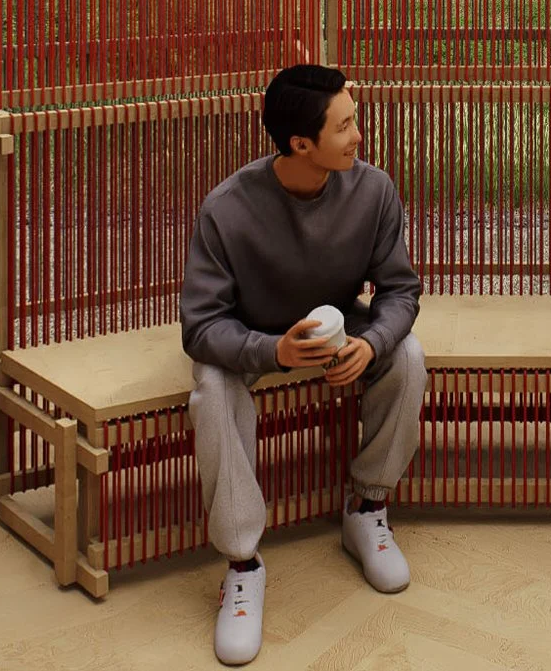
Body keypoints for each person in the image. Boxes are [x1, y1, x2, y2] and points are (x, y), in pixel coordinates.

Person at [181, 64, 427, 666]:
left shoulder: (373, 191)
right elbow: (201, 325)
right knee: (211, 390)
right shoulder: (227, 209)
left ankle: (366, 508)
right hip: (253, 337)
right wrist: (275, 353)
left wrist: (369, 344)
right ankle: (242, 565)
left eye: (355, 119)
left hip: (341, 325)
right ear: (300, 144)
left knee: (408, 355)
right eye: (345, 126)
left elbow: (399, 292)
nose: (359, 135)